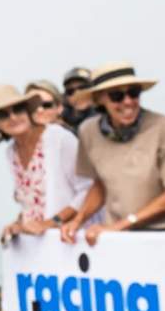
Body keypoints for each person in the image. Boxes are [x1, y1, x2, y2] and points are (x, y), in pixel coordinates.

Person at [62, 62, 165, 244]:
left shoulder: (161, 127)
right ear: (99, 99)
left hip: (158, 236)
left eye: (133, 93)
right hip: (115, 238)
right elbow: (100, 184)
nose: (128, 101)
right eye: (117, 96)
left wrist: (123, 224)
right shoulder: (88, 131)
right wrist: (78, 220)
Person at [0, 83, 89, 243]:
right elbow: (31, 201)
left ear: (27, 110)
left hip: (73, 240)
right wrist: (18, 224)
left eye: (17, 109)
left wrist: (52, 222)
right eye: (3, 115)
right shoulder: (11, 152)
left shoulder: (59, 138)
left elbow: (87, 190)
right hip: (40, 245)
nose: (13, 117)